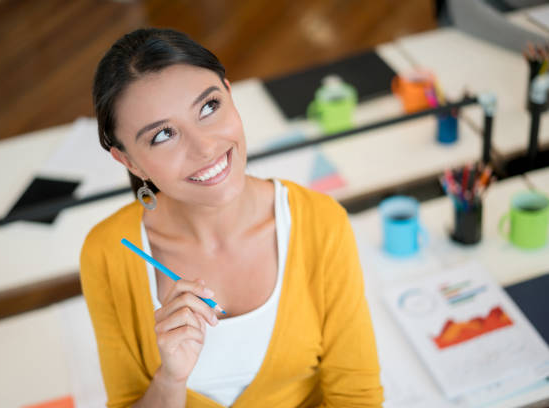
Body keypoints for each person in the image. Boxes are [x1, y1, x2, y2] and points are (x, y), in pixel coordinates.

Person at [81, 27, 383, 408]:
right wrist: (170, 378)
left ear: (229, 92)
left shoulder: (320, 223)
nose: (205, 147)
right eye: (163, 135)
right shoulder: (107, 253)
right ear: (128, 161)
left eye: (209, 107)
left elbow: (357, 399)